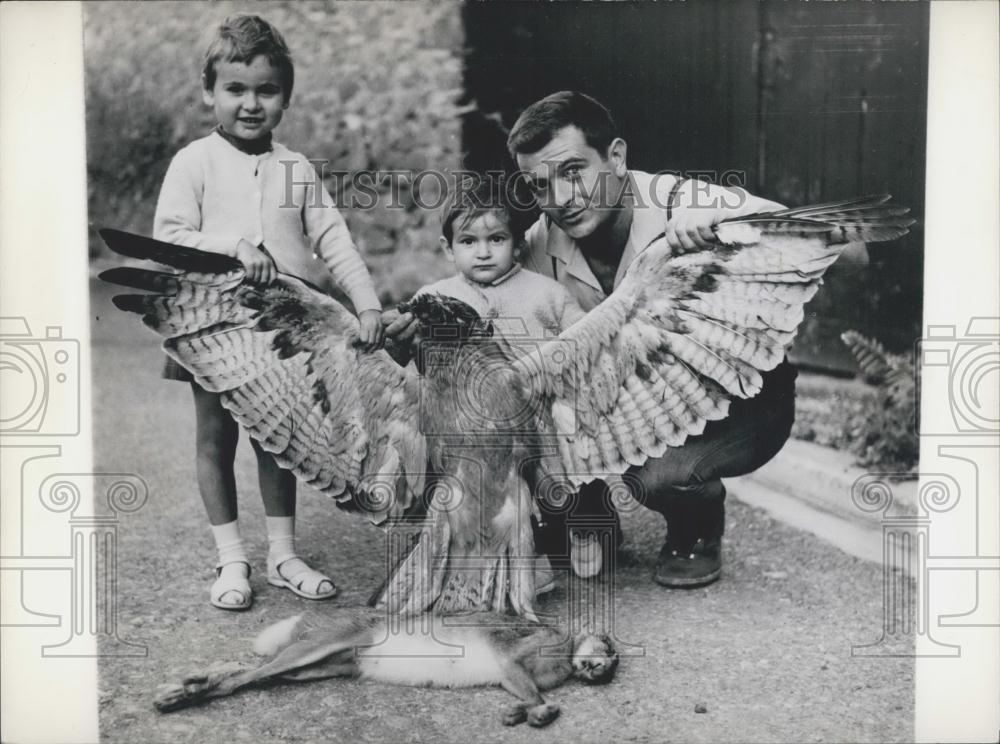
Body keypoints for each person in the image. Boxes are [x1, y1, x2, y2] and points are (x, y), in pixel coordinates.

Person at [505, 90, 797, 589]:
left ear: (616, 157)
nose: (559, 199)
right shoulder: (539, 243)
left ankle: (695, 529)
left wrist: (726, 229)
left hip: (742, 393)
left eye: (573, 171)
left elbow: (841, 247)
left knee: (656, 475)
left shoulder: (687, 203)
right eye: (539, 185)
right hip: (638, 394)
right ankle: (588, 512)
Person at [153, 15, 383, 610]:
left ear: (285, 97)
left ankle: (283, 554)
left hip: (284, 334)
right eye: (235, 89)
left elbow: (331, 237)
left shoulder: (296, 168)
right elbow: (170, 236)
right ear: (210, 91)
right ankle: (232, 560)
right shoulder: (194, 163)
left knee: (280, 439)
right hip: (212, 325)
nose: (250, 104)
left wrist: (366, 302)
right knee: (214, 439)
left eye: (266, 90)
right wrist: (232, 246)